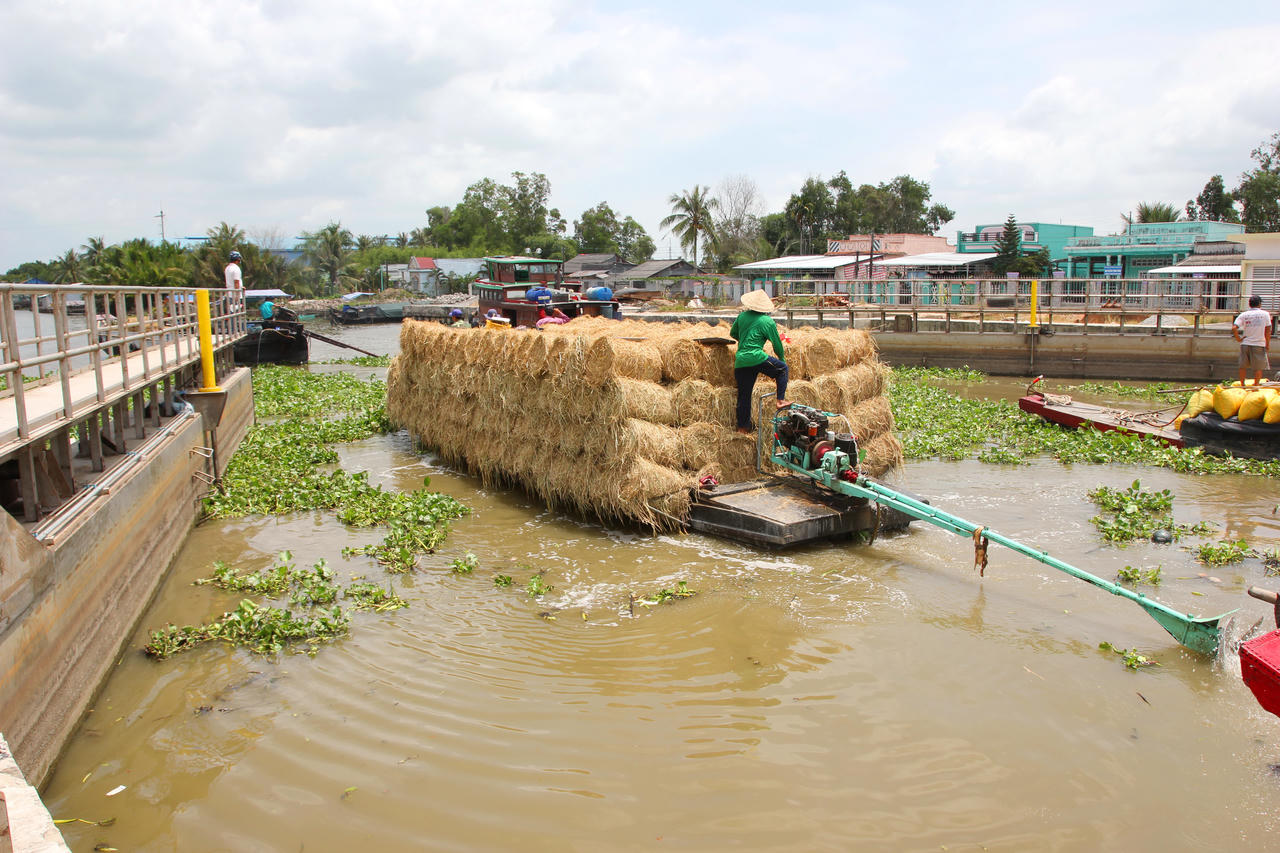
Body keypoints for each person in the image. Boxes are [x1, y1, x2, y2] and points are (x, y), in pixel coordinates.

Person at [730, 289, 790, 435]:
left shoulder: (742, 316)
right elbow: (777, 344)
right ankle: (780, 401)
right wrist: (782, 358)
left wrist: (744, 341)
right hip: (757, 357)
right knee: (782, 369)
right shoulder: (767, 321)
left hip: (741, 360)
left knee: (744, 396)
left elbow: (733, 333)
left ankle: (742, 428)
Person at [1233, 294, 1272, 386]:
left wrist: (1238, 338)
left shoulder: (1244, 314)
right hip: (1259, 344)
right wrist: (1267, 344)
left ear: (1249, 304)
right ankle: (1256, 385)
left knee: (1243, 366)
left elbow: (1234, 328)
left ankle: (1242, 385)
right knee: (1258, 367)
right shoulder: (1265, 314)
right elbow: (1267, 331)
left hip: (1245, 343)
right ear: (1259, 304)